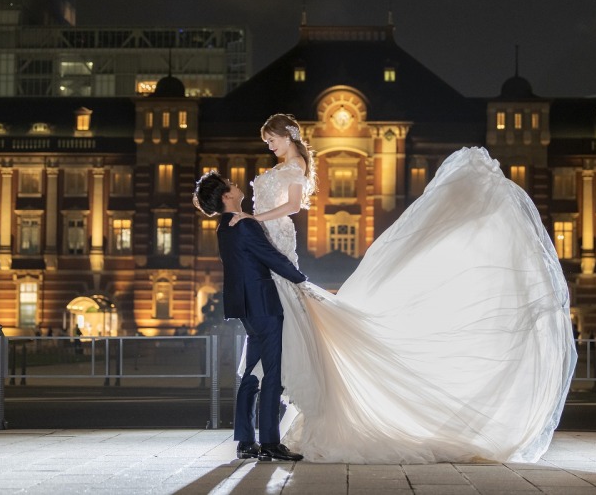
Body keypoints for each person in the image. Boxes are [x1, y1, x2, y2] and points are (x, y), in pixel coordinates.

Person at [214, 113, 576, 464]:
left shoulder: (294, 169)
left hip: (274, 251)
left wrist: (253, 218)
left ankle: (261, 438)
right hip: (267, 262)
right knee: (268, 360)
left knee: (268, 361)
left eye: (272, 139)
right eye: (266, 142)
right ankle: (259, 437)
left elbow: (292, 205)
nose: (270, 146)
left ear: (288, 134)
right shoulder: (271, 182)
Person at [193, 170, 307, 462]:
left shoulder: (224, 226)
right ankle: (269, 442)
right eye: (231, 184)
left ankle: (245, 440)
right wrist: (301, 280)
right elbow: (269, 256)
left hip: (245, 306)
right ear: (227, 196)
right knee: (271, 373)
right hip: (263, 304)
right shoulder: (243, 225)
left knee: (252, 374)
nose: (237, 184)